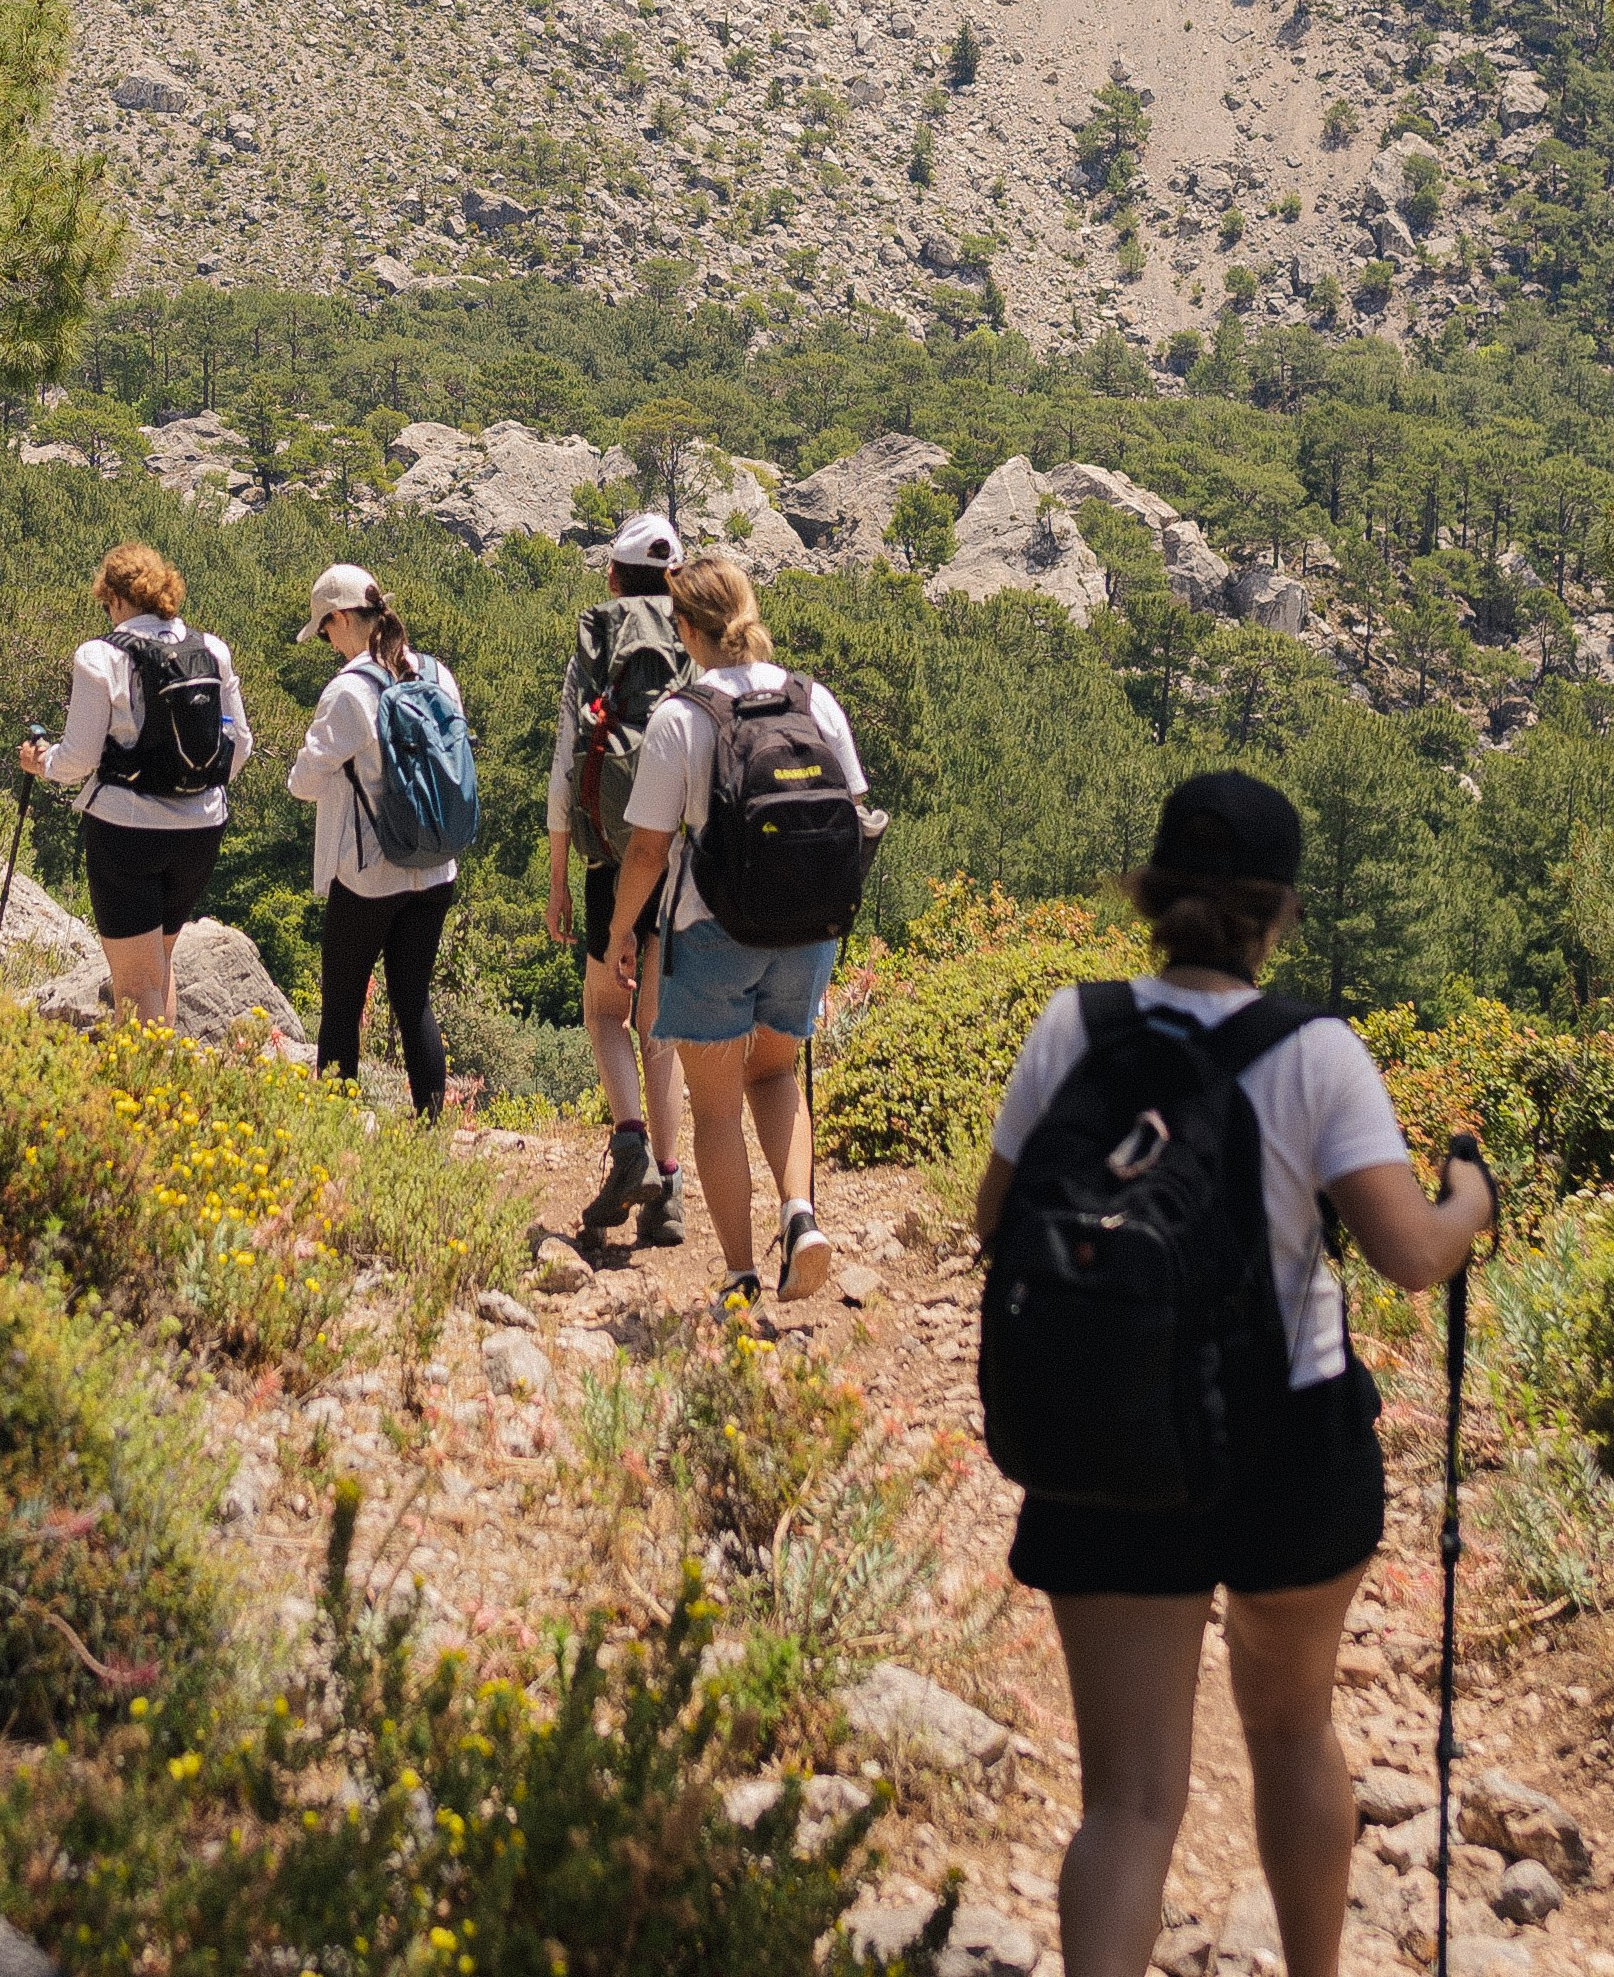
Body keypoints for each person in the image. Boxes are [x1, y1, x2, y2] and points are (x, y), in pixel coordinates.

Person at [970, 770, 1497, 1977]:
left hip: (1109, 1438)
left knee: (1128, 1804)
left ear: (1150, 894)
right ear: (1281, 912)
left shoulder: (1076, 1025)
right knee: (1290, 1728)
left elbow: (994, 1218)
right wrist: (1470, 1195)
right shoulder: (1313, 1051)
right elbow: (1412, 1258)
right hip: (1287, 1442)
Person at [591, 551, 866, 1310]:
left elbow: (647, 848)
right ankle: (800, 1215)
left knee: (714, 1109)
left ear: (684, 629)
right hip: (807, 930)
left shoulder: (684, 716)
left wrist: (621, 934)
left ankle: (743, 1276)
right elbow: (856, 814)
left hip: (711, 931)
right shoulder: (817, 701)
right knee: (775, 1076)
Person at [18, 540, 251, 1027]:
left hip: (127, 831)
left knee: (133, 984)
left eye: (107, 605)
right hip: (202, 828)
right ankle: (161, 1088)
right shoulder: (211, 649)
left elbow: (79, 758)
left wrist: (43, 764)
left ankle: (143, 1098)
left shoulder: (98, 656)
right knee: (158, 971)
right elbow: (240, 743)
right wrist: (193, 785)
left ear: (117, 599)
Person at [548, 511, 689, 1246]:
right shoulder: (699, 627)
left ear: (613, 576)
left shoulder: (600, 636)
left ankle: (629, 1138)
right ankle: (669, 1189)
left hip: (616, 850)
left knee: (606, 1010)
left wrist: (559, 875)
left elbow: (567, 755)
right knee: (659, 1024)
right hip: (686, 855)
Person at [287, 562, 462, 1119]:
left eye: (325, 631)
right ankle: (432, 1132)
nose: (327, 643)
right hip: (436, 867)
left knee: (341, 1005)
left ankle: (337, 1130)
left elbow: (304, 783)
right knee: (414, 1003)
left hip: (368, 873)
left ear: (340, 617)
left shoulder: (348, 691)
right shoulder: (437, 673)